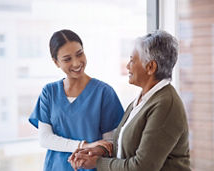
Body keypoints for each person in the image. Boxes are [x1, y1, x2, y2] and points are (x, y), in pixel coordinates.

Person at [69, 30, 191, 171]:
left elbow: (142, 167)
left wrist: (98, 163)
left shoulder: (165, 105)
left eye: (132, 60)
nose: (127, 66)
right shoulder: (143, 100)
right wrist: (100, 151)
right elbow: (124, 145)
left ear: (150, 67)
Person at [28, 29, 124, 171]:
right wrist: (82, 145)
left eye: (80, 54)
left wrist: (92, 150)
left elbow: (109, 144)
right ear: (56, 62)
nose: (77, 63)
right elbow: (45, 138)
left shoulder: (104, 93)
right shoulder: (49, 92)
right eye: (67, 59)